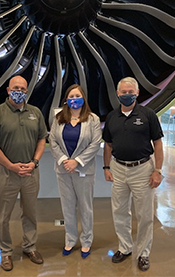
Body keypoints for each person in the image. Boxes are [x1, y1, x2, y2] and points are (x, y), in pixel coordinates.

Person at [0, 75, 48, 271]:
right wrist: (10, 166)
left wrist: (34, 162)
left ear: (27, 91)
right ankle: (6, 252)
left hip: (30, 173)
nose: (19, 91)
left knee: (30, 213)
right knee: (2, 216)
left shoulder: (35, 113)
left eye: (23, 88)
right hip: (6, 174)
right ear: (8, 90)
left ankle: (30, 247)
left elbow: (41, 139)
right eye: (15, 88)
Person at [102, 77, 164, 271]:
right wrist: (106, 167)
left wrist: (158, 170)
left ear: (137, 93)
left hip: (143, 170)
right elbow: (108, 145)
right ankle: (125, 247)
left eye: (130, 92)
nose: (126, 95)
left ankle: (143, 253)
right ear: (117, 94)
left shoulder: (148, 114)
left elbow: (158, 144)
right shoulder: (112, 117)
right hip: (119, 169)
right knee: (119, 211)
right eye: (123, 92)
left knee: (145, 214)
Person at [49, 84, 102, 259]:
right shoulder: (58, 118)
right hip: (63, 170)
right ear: (66, 99)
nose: (74, 99)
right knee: (68, 207)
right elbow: (53, 141)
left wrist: (77, 162)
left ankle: (86, 241)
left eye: (77, 96)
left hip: (84, 170)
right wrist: (65, 161)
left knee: (86, 208)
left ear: (83, 98)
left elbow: (95, 143)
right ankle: (70, 240)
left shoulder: (92, 119)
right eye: (71, 96)